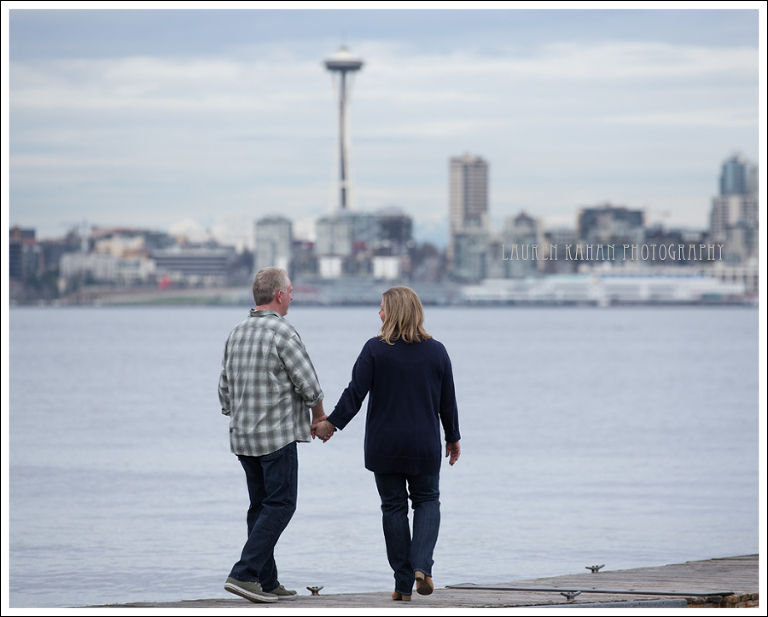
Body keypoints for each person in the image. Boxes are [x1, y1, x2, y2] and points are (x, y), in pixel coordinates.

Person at [314, 286, 461, 601]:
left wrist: (330, 424)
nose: (379, 313)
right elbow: (447, 402)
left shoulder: (374, 349)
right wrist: (453, 437)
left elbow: (355, 393)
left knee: (393, 508)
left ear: (393, 312)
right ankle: (422, 565)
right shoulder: (437, 351)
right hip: (423, 444)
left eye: (382, 307)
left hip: (385, 445)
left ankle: (403, 585)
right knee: (426, 501)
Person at [218, 267, 326, 603]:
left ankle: (266, 581)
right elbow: (308, 382)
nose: (292, 296)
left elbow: (224, 390)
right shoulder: (283, 332)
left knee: (260, 507)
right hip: (276, 437)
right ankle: (244, 573)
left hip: (243, 438)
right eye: (290, 291)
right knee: (281, 505)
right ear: (279, 295)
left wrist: (239, 415)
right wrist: (319, 416)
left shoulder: (236, 332)